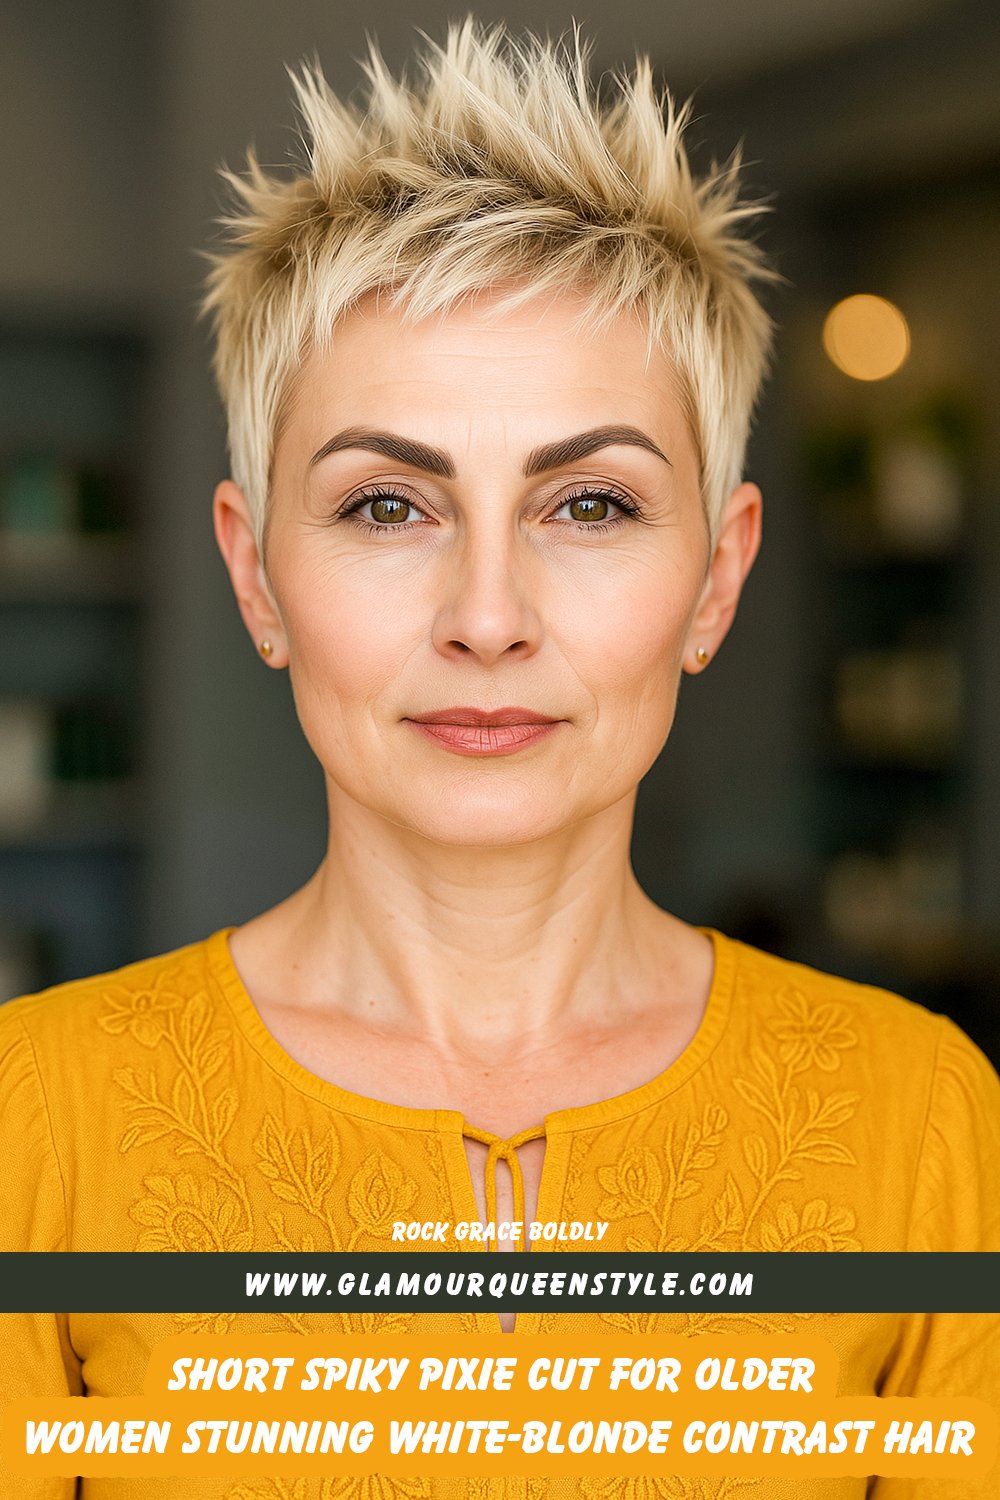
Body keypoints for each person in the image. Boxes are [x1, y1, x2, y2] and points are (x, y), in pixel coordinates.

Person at [1, 16, 998, 1499]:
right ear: (257, 576)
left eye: (589, 504)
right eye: (387, 507)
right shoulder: (38, 1121)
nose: (486, 617)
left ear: (717, 581)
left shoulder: (923, 1121)